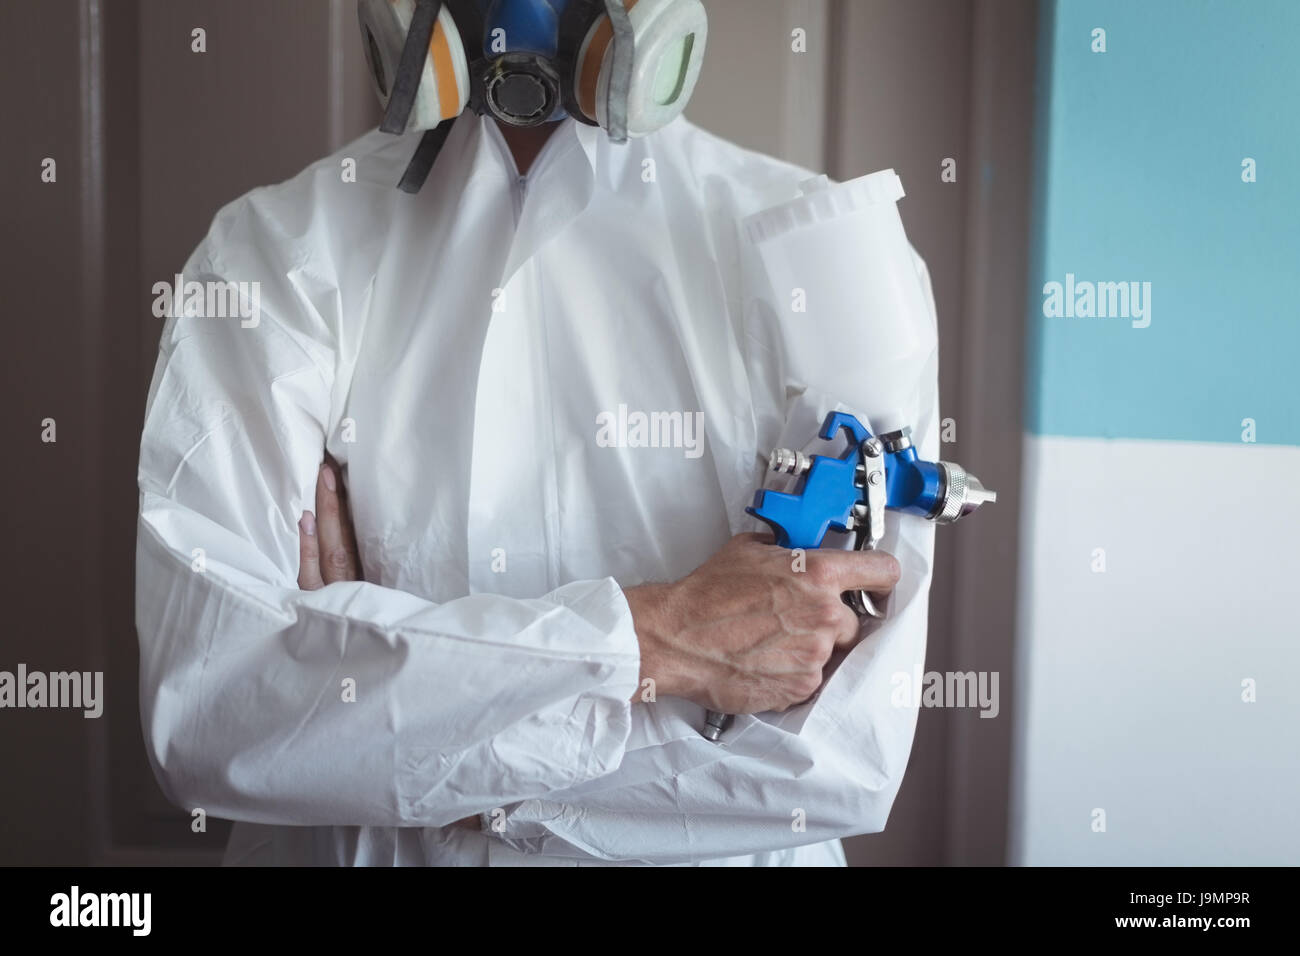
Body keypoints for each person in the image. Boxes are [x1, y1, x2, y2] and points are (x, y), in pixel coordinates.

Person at [135, 0, 939, 866]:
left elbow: (835, 765)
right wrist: (662, 637)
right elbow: (215, 714)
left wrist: (393, 708)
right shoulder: (275, 253)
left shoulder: (825, 255)